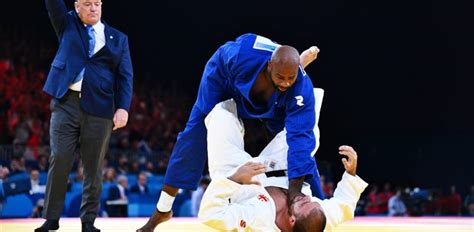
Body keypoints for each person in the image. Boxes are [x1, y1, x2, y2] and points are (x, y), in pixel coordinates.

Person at [138, 34, 320, 231]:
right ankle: (162, 211)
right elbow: (228, 60)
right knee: (195, 133)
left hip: (274, 98)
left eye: (290, 77)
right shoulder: (241, 56)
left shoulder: (301, 88)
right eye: (281, 76)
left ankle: (318, 205)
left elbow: (300, 140)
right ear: (269, 66)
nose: (285, 82)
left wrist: (295, 197)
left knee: (296, 145)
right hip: (225, 78)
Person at [198, 98, 368, 231]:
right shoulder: (317, 216)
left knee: (221, 116)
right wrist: (351, 173)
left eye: (303, 203)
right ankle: (293, 79)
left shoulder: (259, 223)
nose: (307, 197)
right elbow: (344, 205)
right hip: (279, 168)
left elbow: (209, 214)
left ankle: (233, 89)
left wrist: (234, 179)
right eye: (312, 200)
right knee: (308, 128)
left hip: (240, 179)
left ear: (292, 220)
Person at [36, 0, 133, 231]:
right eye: (87, 4)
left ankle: (88, 221)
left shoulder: (118, 38)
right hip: (65, 104)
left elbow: (125, 77)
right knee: (59, 157)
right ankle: (51, 218)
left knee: (93, 166)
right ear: (76, 7)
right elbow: (53, 4)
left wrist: (123, 107)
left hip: (100, 107)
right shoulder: (67, 23)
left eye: (97, 3)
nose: (93, 8)